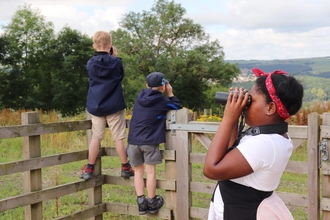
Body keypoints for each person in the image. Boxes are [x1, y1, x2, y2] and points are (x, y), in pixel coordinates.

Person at [204, 68, 304, 220]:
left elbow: (211, 170)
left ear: (270, 108)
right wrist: (235, 117)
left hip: (241, 213)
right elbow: (230, 151)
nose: (245, 104)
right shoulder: (271, 136)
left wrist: (228, 118)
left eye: (250, 99)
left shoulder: (266, 143)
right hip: (236, 208)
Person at [80, 30, 134, 180]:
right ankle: (125, 167)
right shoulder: (116, 62)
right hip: (114, 105)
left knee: (96, 137)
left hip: (96, 106)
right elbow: (119, 76)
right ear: (110, 45)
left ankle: (89, 168)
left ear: (94, 45)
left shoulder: (90, 63)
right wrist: (114, 58)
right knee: (118, 138)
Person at [127, 72, 182, 215]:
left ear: (147, 85)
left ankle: (141, 203)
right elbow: (177, 106)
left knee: (138, 172)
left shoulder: (140, 97)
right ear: (163, 86)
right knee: (150, 171)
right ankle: (152, 202)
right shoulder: (162, 101)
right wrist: (170, 93)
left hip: (133, 140)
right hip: (149, 141)